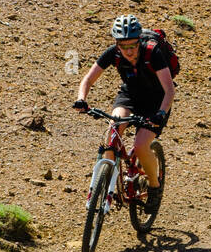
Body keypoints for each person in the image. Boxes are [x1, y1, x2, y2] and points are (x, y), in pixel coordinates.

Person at [74, 15, 174, 213]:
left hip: (156, 100)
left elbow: (170, 90)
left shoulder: (152, 52)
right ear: (116, 43)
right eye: (123, 46)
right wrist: (81, 99)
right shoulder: (114, 53)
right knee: (113, 128)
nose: (128, 51)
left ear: (139, 41)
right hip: (130, 95)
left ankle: (154, 186)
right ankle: (106, 184)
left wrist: (161, 113)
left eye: (133, 45)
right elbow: (88, 80)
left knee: (140, 144)